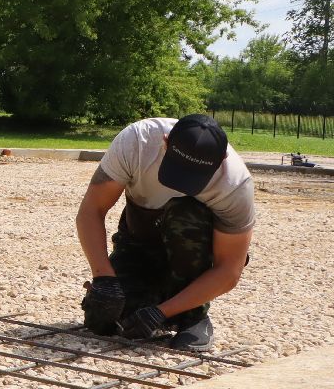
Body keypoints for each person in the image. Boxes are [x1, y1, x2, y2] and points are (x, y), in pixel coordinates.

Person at [75, 114, 253, 352]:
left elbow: (229, 269)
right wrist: (104, 279)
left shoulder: (235, 184)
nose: (180, 183)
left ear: (222, 159)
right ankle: (158, 298)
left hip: (191, 252)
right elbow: (91, 210)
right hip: (139, 238)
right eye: (178, 170)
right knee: (103, 321)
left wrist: (161, 313)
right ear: (166, 142)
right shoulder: (137, 142)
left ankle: (193, 316)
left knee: (185, 211)